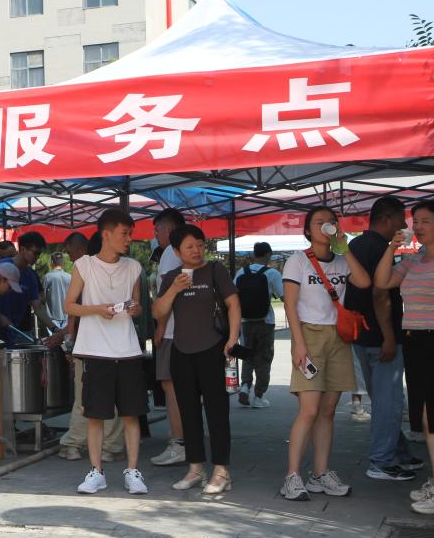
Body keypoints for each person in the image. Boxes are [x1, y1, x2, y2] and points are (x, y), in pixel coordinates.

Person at [375, 200, 434, 514]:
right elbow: (382, 281)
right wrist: (392, 247)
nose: (417, 226)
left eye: (426, 221)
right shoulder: (415, 259)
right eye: (415, 220)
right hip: (415, 342)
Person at [279, 206, 371, 501]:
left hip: (338, 337)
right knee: (309, 410)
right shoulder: (297, 261)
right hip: (309, 335)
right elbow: (290, 304)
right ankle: (292, 476)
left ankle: (320, 474)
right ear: (307, 230)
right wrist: (298, 343)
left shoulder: (343, 260)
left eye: (330, 221)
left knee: (328, 410)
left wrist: (345, 248)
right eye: (318, 222)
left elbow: (364, 282)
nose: (326, 226)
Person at [64, 209, 149, 495]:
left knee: (131, 414)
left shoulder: (134, 267)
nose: (129, 239)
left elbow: (136, 305)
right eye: (125, 233)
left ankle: (133, 471)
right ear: (106, 234)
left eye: (130, 233)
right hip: (95, 350)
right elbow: (69, 305)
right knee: (95, 415)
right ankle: (96, 471)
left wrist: (135, 308)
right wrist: (97, 310)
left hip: (127, 350)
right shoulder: (84, 265)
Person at [155, 225, 242, 494]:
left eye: (201, 245)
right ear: (177, 251)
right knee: (188, 412)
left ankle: (221, 471)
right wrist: (173, 289)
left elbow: (233, 304)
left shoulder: (215, 270)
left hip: (213, 349)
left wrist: (232, 339)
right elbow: (158, 312)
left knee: (217, 412)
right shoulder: (172, 277)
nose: (197, 251)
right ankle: (195, 468)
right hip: (181, 351)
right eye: (190, 247)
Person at [345, 197, 424, 482]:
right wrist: (390, 337)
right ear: (387, 219)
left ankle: (398, 452)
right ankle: (381, 460)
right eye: (402, 219)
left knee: (383, 400)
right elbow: (381, 295)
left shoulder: (355, 245)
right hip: (381, 336)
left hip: (360, 334)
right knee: (388, 403)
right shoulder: (381, 248)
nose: (404, 225)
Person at [56, 232, 126, 461]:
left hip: (97, 343)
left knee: (87, 396)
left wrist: (70, 342)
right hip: (107, 342)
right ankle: (107, 446)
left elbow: (72, 312)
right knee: (105, 395)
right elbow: (72, 311)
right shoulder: (120, 271)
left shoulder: (88, 269)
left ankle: (77, 443)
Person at [150, 208, 187, 467]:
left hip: (173, 330)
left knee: (171, 387)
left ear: (169, 229)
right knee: (180, 388)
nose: (155, 236)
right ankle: (185, 440)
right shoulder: (183, 252)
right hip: (187, 330)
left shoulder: (169, 254)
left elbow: (166, 296)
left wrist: (160, 327)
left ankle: (179, 443)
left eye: (157, 230)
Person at [234, 242, 283, 408]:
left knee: (247, 355)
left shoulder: (241, 272)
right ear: (268, 254)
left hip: (245, 322)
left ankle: (245, 386)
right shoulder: (272, 273)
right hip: (265, 322)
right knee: (264, 358)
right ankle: (259, 396)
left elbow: (233, 296)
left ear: (254, 254)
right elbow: (283, 296)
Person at [0, 232, 56, 344]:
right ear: (22, 249)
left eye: (39, 254)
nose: (37, 257)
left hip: (15, 332)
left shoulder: (31, 275)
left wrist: (55, 329)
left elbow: (38, 308)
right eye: (35, 253)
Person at [43, 252, 71, 329]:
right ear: (63, 262)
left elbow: (42, 298)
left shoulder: (48, 277)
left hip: (52, 318)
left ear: (52, 262)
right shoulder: (70, 277)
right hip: (68, 317)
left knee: (53, 337)